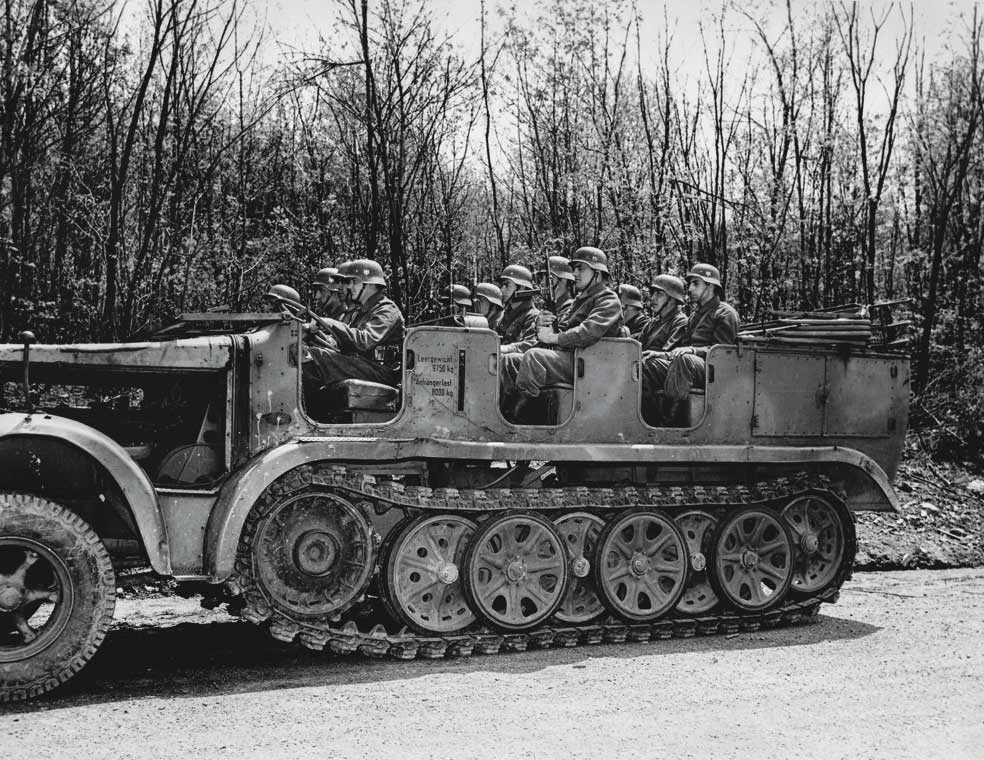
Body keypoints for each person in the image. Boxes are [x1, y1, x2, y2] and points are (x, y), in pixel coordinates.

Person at [500, 246, 623, 421]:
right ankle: (506, 413)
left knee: (534, 357)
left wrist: (553, 337)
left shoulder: (608, 299)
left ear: (597, 273)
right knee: (510, 360)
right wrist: (543, 325)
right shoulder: (580, 301)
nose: (575, 273)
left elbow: (587, 332)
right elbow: (562, 329)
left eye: (581, 268)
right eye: (574, 268)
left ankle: (520, 420)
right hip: (572, 358)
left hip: (591, 364)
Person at [641, 263, 740, 425]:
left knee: (684, 359)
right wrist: (662, 355)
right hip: (689, 365)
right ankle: (650, 420)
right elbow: (681, 348)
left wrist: (692, 351)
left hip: (713, 369)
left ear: (710, 285)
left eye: (696, 284)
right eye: (691, 284)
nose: (690, 289)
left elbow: (723, 353)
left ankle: (672, 422)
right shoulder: (694, 316)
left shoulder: (725, 313)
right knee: (648, 363)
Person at [303, 258, 405, 409]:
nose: (349, 286)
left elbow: (364, 341)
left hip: (381, 371)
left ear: (369, 285)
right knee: (305, 353)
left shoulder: (387, 310)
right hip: (365, 366)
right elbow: (344, 343)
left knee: (314, 357)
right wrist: (318, 336)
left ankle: (305, 415)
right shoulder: (362, 311)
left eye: (353, 282)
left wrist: (332, 323)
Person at [638, 275, 689, 351]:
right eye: (653, 293)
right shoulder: (652, 323)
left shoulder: (680, 322)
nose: (652, 298)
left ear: (672, 299)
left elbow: (667, 354)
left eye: (659, 293)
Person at [497, 264, 540, 354]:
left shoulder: (533, 316)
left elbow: (530, 345)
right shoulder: (505, 314)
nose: (502, 290)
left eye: (507, 285)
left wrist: (507, 348)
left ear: (521, 288)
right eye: (502, 286)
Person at [537, 255, 576, 323]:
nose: (542, 281)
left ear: (563, 280)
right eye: (541, 277)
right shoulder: (552, 307)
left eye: (547, 277)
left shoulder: (571, 309)